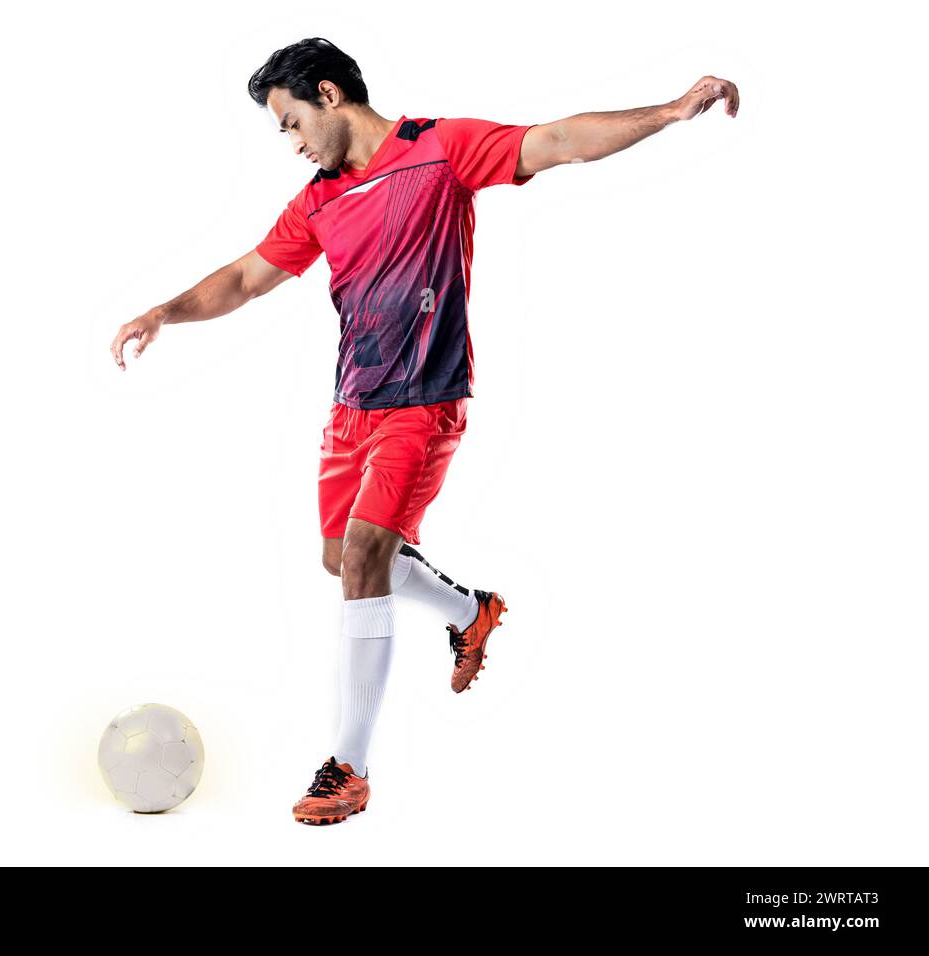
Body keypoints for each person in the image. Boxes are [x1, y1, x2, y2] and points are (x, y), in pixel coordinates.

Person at [110, 37, 739, 826]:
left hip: (424, 398)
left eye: (291, 122)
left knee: (366, 555)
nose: (292, 142)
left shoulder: (439, 150)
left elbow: (557, 140)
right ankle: (470, 611)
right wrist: (163, 311)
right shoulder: (318, 201)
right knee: (341, 559)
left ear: (329, 95)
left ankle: (348, 768)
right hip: (351, 407)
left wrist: (672, 111)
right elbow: (244, 277)